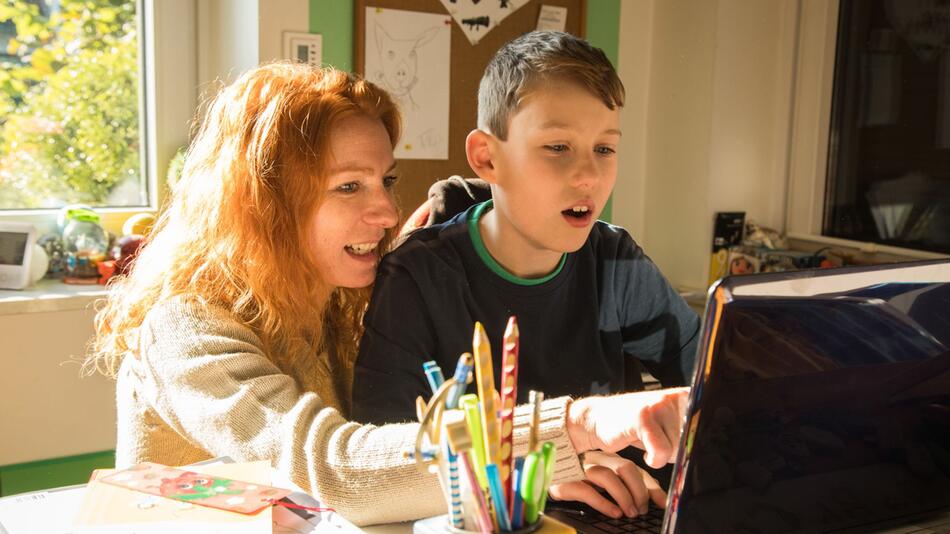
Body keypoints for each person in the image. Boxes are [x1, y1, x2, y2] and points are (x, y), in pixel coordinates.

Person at [83, 62, 689, 526]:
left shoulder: (350, 296)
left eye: (386, 180)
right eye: (349, 186)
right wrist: (576, 426)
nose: (385, 209)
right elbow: (336, 467)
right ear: (263, 205)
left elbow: (403, 451)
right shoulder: (187, 327)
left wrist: (534, 474)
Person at [353, 31, 701, 519]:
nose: (588, 176)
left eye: (605, 149)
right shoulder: (416, 277)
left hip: (615, 515)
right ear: (487, 158)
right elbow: (380, 457)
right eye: (558, 146)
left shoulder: (614, 260)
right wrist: (539, 474)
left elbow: (718, 388)